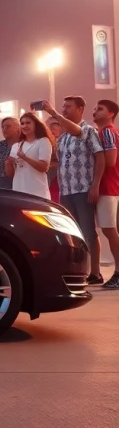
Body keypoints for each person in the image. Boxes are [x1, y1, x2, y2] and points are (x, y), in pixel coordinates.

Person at [43, 96, 105, 284]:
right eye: (63, 107)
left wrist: (95, 185)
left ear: (80, 109)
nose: (64, 109)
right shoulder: (63, 138)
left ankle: (95, 272)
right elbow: (57, 162)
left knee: (88, 231)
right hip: (66, 190)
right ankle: (80, 270)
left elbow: (100, 157)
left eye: (68, 107)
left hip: (83, 188)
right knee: (73, 233)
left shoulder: (87, 131)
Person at [92, 100, 119, 288]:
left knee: (110, 230)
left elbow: (110, 160)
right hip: (106, 186)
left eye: (100, 109)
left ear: (111, 114)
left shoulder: (108, 132)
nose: (95, 111)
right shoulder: (103, 132)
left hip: (108, 186)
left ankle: (118, 272)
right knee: (108, 230)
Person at [5, 113, 54, 200]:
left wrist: (25, 158)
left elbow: (44, 167)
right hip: (19, 191)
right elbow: (11, 174)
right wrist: (8, 164)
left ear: (36, 124)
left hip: (37, 192)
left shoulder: (43, 141)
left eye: (28, 123)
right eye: (22, 123)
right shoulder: (16, 146)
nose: (24, 126)